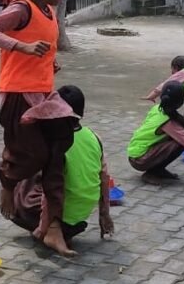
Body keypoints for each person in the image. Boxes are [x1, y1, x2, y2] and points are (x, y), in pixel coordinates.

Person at [0, 0, 79, 257]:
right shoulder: (22, 9)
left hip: (44, 92)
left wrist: (48, 61)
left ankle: (53, 229)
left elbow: (41, 47)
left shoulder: (49, 13)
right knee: (36, 152)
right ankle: (8, 182)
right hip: (19, 92)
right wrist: (21, 48)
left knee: (58, 154)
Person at [10, 86, 114, 251]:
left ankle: (52, 231)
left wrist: (44, 229)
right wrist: (105, 215)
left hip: (61, 217)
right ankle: (63, 231)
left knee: (24, 178)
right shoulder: (94, 137)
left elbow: (50, 190)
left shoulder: (54, 143)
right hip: (80, 219)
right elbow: (104, 178)